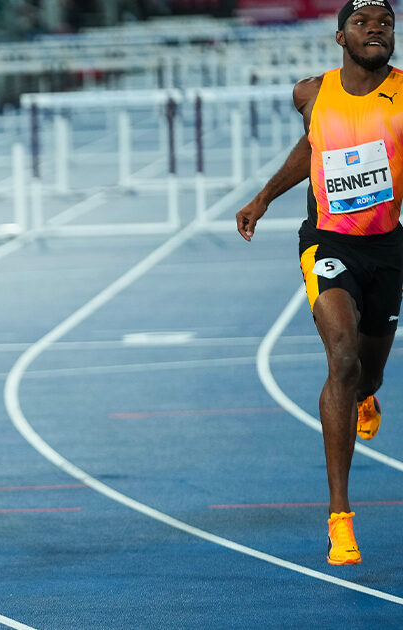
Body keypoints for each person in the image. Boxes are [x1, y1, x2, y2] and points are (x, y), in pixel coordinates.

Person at [236, 0, 402, 566]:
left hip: (387, 246)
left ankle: (367, 394)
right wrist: (262, 198)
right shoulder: (311, 93)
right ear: (340, 37)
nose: (376, 29)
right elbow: (313, 147)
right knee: (341, 357)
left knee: (368, 370)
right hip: (328, 243)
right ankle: (340, 519)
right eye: (363, 23)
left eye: (385, 23)